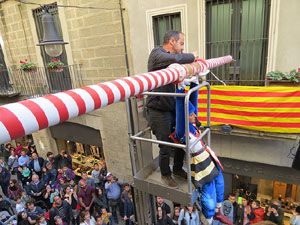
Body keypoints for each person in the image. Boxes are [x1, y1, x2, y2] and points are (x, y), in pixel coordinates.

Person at [174, 78, 231, 225]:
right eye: (191, 115)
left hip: (206, 155)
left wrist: (195, 84)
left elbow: (193, 101)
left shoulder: (193, 123)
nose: (194, 116)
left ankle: (218, 209)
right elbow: (181, 108)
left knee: (219, 179)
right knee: (208, 191)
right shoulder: (183, 130)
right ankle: (210, 215)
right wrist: (179, 89)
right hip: (198, 162)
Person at [146, 30, 197, 187]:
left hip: (171, 106)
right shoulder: (157, 54)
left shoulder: (169, 61)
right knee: (165, 144)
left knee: (182, 136)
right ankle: (165, 175)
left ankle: (177, 169)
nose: (182, 48)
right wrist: (192, 57)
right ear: (172, 42)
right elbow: (176, 58)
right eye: (181, 44)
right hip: (158, 109)